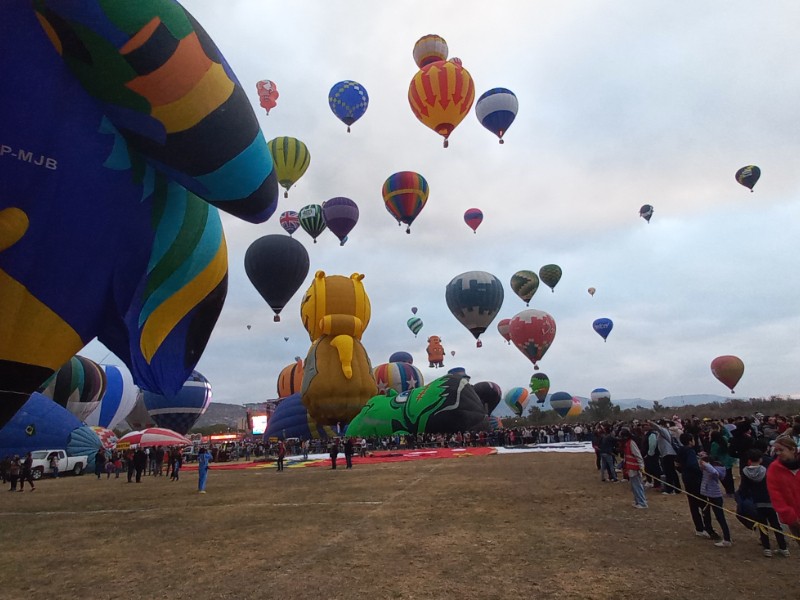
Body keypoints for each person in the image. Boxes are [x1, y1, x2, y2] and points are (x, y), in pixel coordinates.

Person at [739, 448, 788, 557]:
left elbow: (743, 488)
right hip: (770, 500)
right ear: (761, 459)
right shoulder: (767, 470)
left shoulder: (746, 472)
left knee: (762, 525)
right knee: (775, 525)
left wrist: (742, 498)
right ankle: (783, 547)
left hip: (757, 502)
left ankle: (767, 548)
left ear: (749, 460)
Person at [675, 433, 717, 539]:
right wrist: (701, 468)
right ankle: (708, 529)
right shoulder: (690, 451)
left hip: (687, 480)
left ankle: (699, 528)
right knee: (704, 505)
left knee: (693, 505)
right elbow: (692, 465)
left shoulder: (680, 450)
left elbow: (677, 464)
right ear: (690, 441)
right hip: (695, 481)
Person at [766, 435, 800, 548]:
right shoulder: (774, 469)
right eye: (776, 450)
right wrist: (790, 516)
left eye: (781, 450)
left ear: (793, 449)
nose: (778, 453)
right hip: (794, 519)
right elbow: (776, 495)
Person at [699, 452, 732, 547]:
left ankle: (727, 539)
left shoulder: (713, 470)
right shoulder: (708, 469)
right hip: (709, 495)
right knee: (707, 512)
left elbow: (715, 472)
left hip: (715, 496)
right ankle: (709, 529)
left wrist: (705, 464)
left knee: (720, 517)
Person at [620, 429, 647, 508]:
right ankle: (637, 501)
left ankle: (642, 502)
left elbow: (638, 456)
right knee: (634, 486)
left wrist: (642, 467)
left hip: (635, 468)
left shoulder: (631, 443)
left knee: (637, 486)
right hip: (630, 468)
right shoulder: (627, 444)